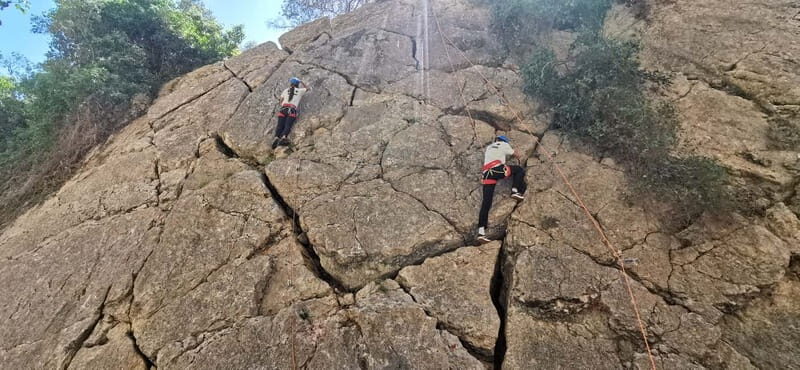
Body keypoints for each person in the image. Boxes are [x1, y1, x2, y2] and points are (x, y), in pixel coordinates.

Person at [477, 135, 527, 243]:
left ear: (496, 140)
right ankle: (514, 191)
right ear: (505, 141)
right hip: (497, 170)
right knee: (519, 170)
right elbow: (515, 154)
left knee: (486, 203)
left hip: (487, 174)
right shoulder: (504, 144)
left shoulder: (489, 147)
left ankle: (481, 232)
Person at [272, 77, 311, 149]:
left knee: (280, 125)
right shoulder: (300, 91)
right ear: (297, 85)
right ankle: (284, 137)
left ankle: (276, 137)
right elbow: (307, 88)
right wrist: (301, 81)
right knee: (288, 125)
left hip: (283, 109)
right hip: (292, 110)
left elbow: (281, 101)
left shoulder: (286, 90)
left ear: (291, 84)